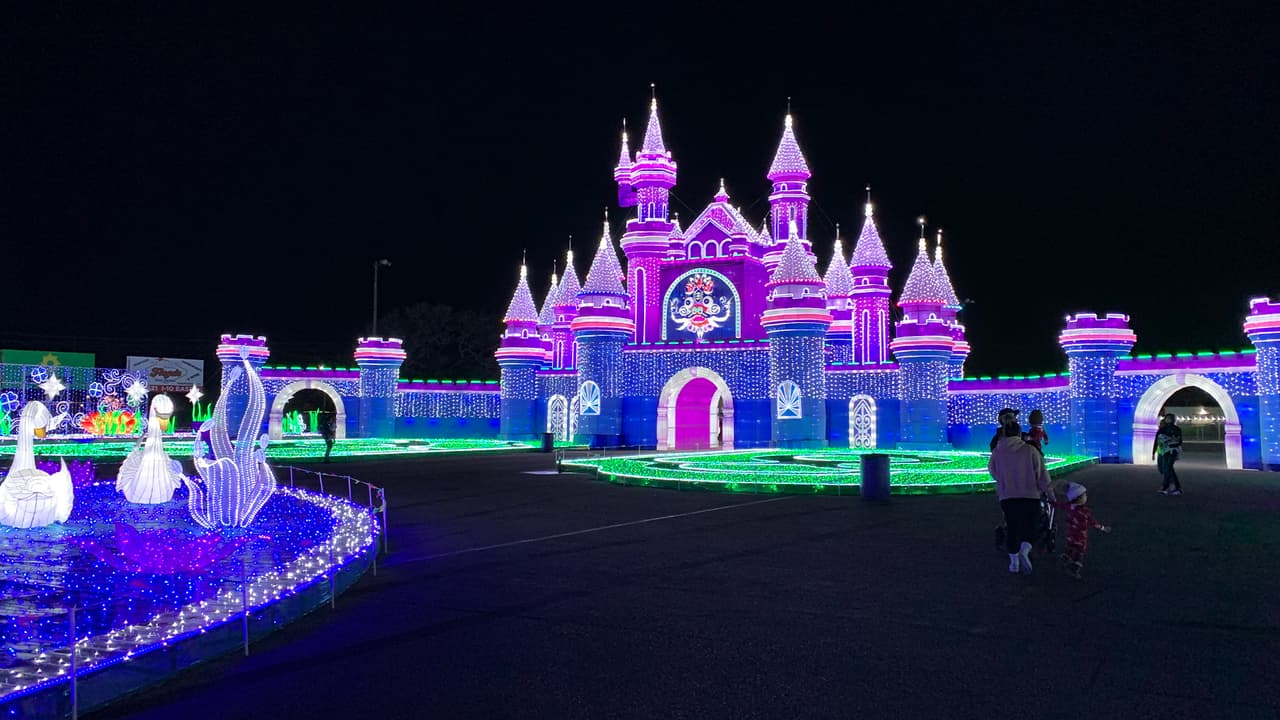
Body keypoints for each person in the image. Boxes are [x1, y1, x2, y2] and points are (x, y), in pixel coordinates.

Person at [989, 416, 1055, 574]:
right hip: (1030, 495)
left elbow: (993, 471)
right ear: (1019, 434)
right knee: (1030, 526)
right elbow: (1042, 475)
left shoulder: (997, 452)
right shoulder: (1030, 450)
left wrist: (1004, 481)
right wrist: (1050, 493)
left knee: (1012, 526)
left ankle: (1014, 563)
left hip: (1007, 497)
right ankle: (1025, 550)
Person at [1051, 482, 1111, 580]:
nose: (1086, 497)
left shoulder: (1069, 506)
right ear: (1078, 498)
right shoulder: (1085, 511)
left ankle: (1065, 558)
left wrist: (1051, 502)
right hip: (1081, 537)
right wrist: (1103, 528)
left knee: (1070, 547)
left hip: (1070, 534)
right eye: (1084, 495)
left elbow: (1059, 505)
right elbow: (1093, 522)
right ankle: (1074, 568)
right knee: (1079, 552)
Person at [1152, 413, 1183, 495]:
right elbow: (1156, 442)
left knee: (1168, 468)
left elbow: (1179, 441)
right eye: (1167, 418)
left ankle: (1166, 487)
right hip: (1164, 451)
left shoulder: (1175, 429)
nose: (1168, 420)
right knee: (1167, 469)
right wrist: (1154, 452)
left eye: (1170, 418)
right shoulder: (1163, 429)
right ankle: (1175, 487)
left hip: (1171, 451)